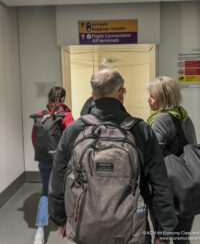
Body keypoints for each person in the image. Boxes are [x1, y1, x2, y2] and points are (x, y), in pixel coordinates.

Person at [49, 69, 178, 244]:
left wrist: (59, 218)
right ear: (121, 93)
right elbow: (159, 183)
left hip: (85, 228)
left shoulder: (75, 130)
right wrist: (164, 231)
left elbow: (58, 177)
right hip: (133, 230)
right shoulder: (140, 130)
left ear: (93, 95)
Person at [146, 76, 197, 244]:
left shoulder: (160, 120)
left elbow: (155, 157)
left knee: (163, 238)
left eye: (152, 96)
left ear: (162, 98)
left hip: (167, 192)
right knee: (182, 238)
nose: (148, 99)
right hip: (188, 189)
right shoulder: (185, 118)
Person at [31, 86, 74, 244]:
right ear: (63, 99)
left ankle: (40, 232)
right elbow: (72, 140)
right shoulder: (66, 115)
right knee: (65, 192)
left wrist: (44, 155)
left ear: (48, 99)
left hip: (44, 161)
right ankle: (63, 225)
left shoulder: (41, 116)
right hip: (62, 163)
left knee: (45, 193)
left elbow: (34, 139)